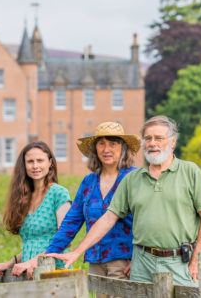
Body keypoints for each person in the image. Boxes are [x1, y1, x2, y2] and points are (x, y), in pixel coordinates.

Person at [47, 116, 201, 286]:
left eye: (159, 138)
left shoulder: (190, 172)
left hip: (179, 260)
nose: (152, 143)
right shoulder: (133, 179)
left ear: (172, 142)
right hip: (141, 263)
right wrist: (76, 252)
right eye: (148, 138)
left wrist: (196, 259)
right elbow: (107, 218)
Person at [45, 122, 140, 297]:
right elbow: (71, 222)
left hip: (125, 261)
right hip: (95, 261)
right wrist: (49, 253)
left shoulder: (135, 178)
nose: (107, 149)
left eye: (113, 143)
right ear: (95, 149)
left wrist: (139, 259)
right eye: (101, 143)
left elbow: (147, 220)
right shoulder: (88, 182)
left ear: (123, 148)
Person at [0, 141, 71, 278]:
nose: (35, 166)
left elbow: (64, 240)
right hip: (28, 272)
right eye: (30, 161)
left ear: (50, 162)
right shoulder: (24, 197)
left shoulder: (59, 194)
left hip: (53, 271)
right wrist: (11, 263)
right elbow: (33, 244)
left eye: (40, 160)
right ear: (24, 165)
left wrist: (32, 262)